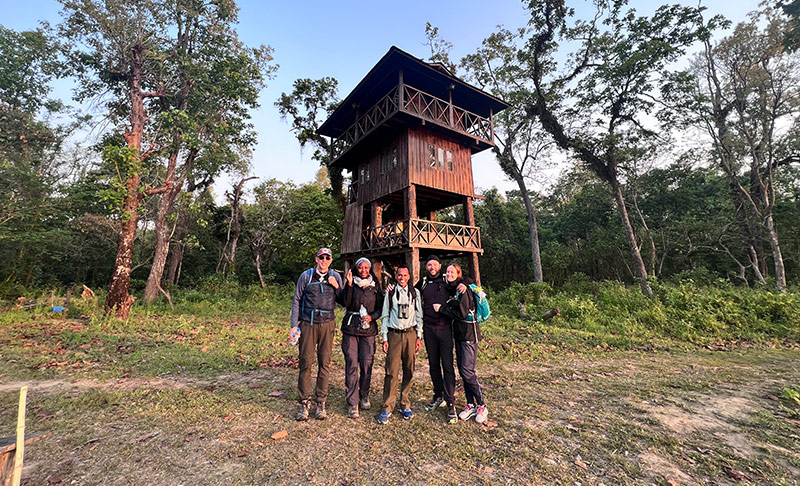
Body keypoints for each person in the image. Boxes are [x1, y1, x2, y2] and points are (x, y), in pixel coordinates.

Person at [290, 247, 343, 421]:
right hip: (308, 323)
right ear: (316, 259)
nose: (324, 260)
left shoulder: (336, 277)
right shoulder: (306, 276)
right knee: (306, 361)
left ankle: (321, 402)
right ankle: (304, 402)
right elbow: (297, 299)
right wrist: (293, 326)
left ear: (331, 260)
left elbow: (344, 301)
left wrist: (337, 288)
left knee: (325, 362)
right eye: (321, 257)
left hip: (327, 324)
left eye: (327, 258)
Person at [433, 263, 488, 424]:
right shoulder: (455, 287)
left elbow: (462, 313)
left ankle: (482, 405)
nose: (449, 274)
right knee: (464, 371)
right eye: (447, 271)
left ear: (458, 274)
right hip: (460, 335)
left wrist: (441, 309)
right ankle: (470, 404)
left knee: (467, 371)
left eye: (452, 272)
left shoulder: (462, 290)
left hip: (469, 335)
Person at [415, 255, 458, 423]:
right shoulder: (424, 282)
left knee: (447, 365)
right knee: (433, 364)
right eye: (429, 264)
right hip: (429, 327)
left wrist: (462, 284)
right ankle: (438, 394)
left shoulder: (448, 281)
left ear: (440, 266)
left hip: (445, 327)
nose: (431, 267)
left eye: (434, 264)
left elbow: (465, 281)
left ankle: (450, 402)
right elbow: (409, 291)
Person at [377, 265, 422, 425]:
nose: (402, 277)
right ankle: (388, 406)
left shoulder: (415, 293)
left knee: (409, 369)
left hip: (410, 334)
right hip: (394, 334)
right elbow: (385, 315)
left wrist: (418, 336)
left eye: (405, 275)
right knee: (391, 371)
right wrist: (384, 337)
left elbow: (419, 316)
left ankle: (405, 403)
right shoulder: (390, 293)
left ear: (409, 276)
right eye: (399, 275)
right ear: (395, 276)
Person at [340, 257, 384, 418]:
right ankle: (353, 402)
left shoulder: (376, 286)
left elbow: (381, 307)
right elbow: (345, 302)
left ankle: (364, 394)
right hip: (351, 328)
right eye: (360, 267)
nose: (363, 270)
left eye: (366, 267)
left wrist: (372, 317)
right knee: (351, 363)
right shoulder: (351, 282)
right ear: (356, 268)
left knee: (366, 363)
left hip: (368, 330)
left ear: (370, 269)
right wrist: (349, 285)